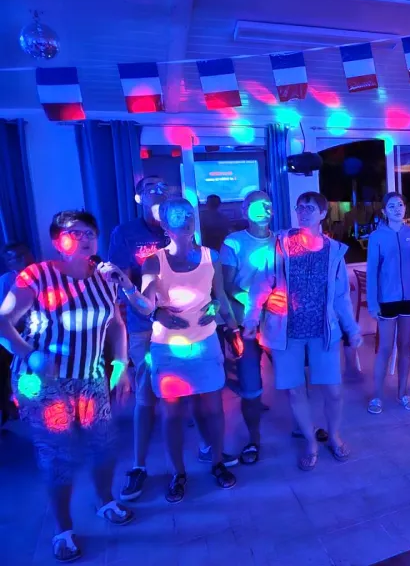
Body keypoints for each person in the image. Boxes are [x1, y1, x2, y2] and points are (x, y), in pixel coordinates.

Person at [0, 210, 155, 562]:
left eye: (90, 232)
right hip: (43, 381)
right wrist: (30, 354)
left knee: (104, 444)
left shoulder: (104, 277)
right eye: (74, 233)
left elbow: (115, 324)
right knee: (59, 454)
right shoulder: (36, 276)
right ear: (58, 242)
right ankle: (63, 528)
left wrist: (120, 364)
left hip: (90, 377)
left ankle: (105, 500)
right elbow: (3, 322)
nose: (85, 238)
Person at [243, 191, 362, 471]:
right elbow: (262, 284)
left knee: (333, 390)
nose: (304, 212)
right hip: (287, 331)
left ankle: (333, 435)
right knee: (296, 391)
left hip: (323, 331)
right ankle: (310, 441)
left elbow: (341, 296)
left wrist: (352, 328)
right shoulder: (281, 244)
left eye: (310, 208)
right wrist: (251, 318)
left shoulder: (334, 251)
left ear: (323, 214)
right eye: (300, 208)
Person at [141, 198, 238, 502]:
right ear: (165, 225)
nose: (184, 220)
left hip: (205, 341)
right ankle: (177, 473)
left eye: (188, 215)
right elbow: (145, 304)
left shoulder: (211, 256)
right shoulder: (154, 261)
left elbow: (219, 295)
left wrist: (222, 314)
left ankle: (217, 462)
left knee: (213, 408)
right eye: (177, 216)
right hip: (169, 347)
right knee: (172, 414)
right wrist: (157, 313)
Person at [220, 190, 275, 464]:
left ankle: (303, 427)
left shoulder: (282, 241)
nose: (264, 209)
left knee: (295, 380)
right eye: (256, 205)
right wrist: (257, 302)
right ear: (244, 211)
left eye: (267, 204)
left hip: (278, 324)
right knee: (251, 387)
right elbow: (227, 286)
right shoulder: (234, 242)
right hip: (247, 325)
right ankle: (254, 440)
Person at [366, 192, 410, 414]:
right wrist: (373, 303)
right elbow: (372, 272)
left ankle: (403, 392)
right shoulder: (376, 237)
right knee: (385, 348)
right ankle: (377, 396)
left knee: (404, 347)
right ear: (384, 211)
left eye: (400, 205)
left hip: (409, 299)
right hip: (386, 300)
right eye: (391, 206)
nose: (397, 209)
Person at [0, 242, 34, 425]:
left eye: (25, 254)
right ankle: (10, 404)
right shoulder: (7, 280)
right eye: (17, 257)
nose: (24, 259)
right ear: (9, 262)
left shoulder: (42, 273)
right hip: (16, 329)